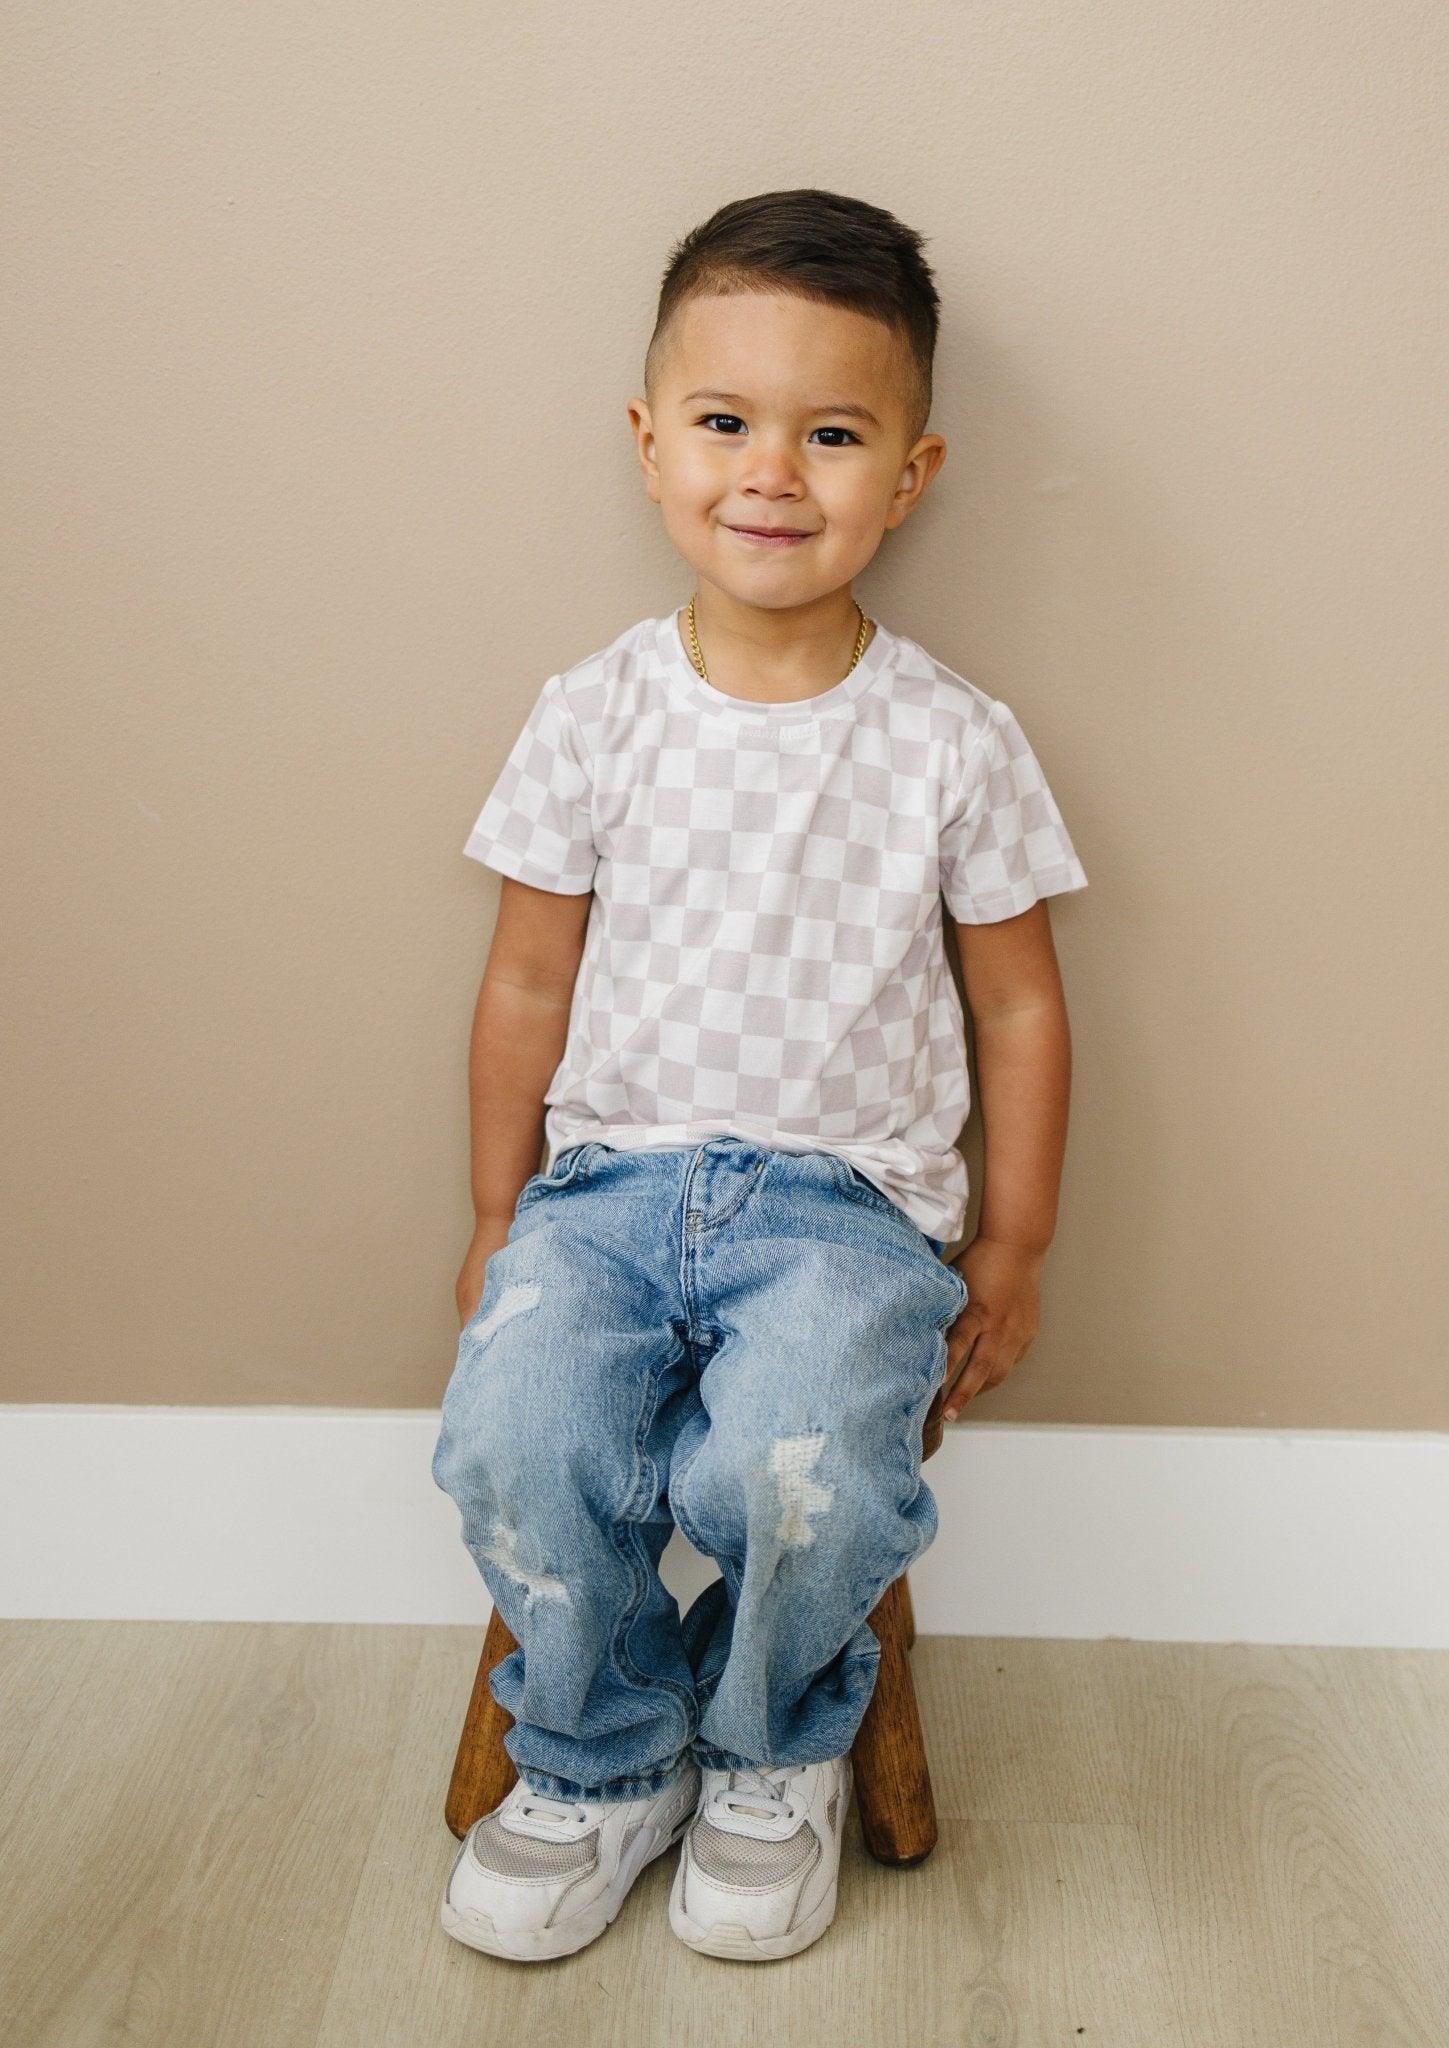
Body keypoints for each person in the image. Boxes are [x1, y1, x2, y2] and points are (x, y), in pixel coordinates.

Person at [432, 187, 1088, 1965]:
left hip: (845, 1209)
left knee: (796, 1467)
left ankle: (773, 1741)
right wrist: (501, 1216)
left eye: (833, 431)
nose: (772, 471)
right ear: (650, 446)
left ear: (911, 469)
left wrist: (1012, 1245)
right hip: (606, 1194)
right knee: (519, 1434)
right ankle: (596, 1747)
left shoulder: (951, 737)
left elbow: (1019, 1007)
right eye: (724, 421)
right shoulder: (592, 713)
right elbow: (523, 978)